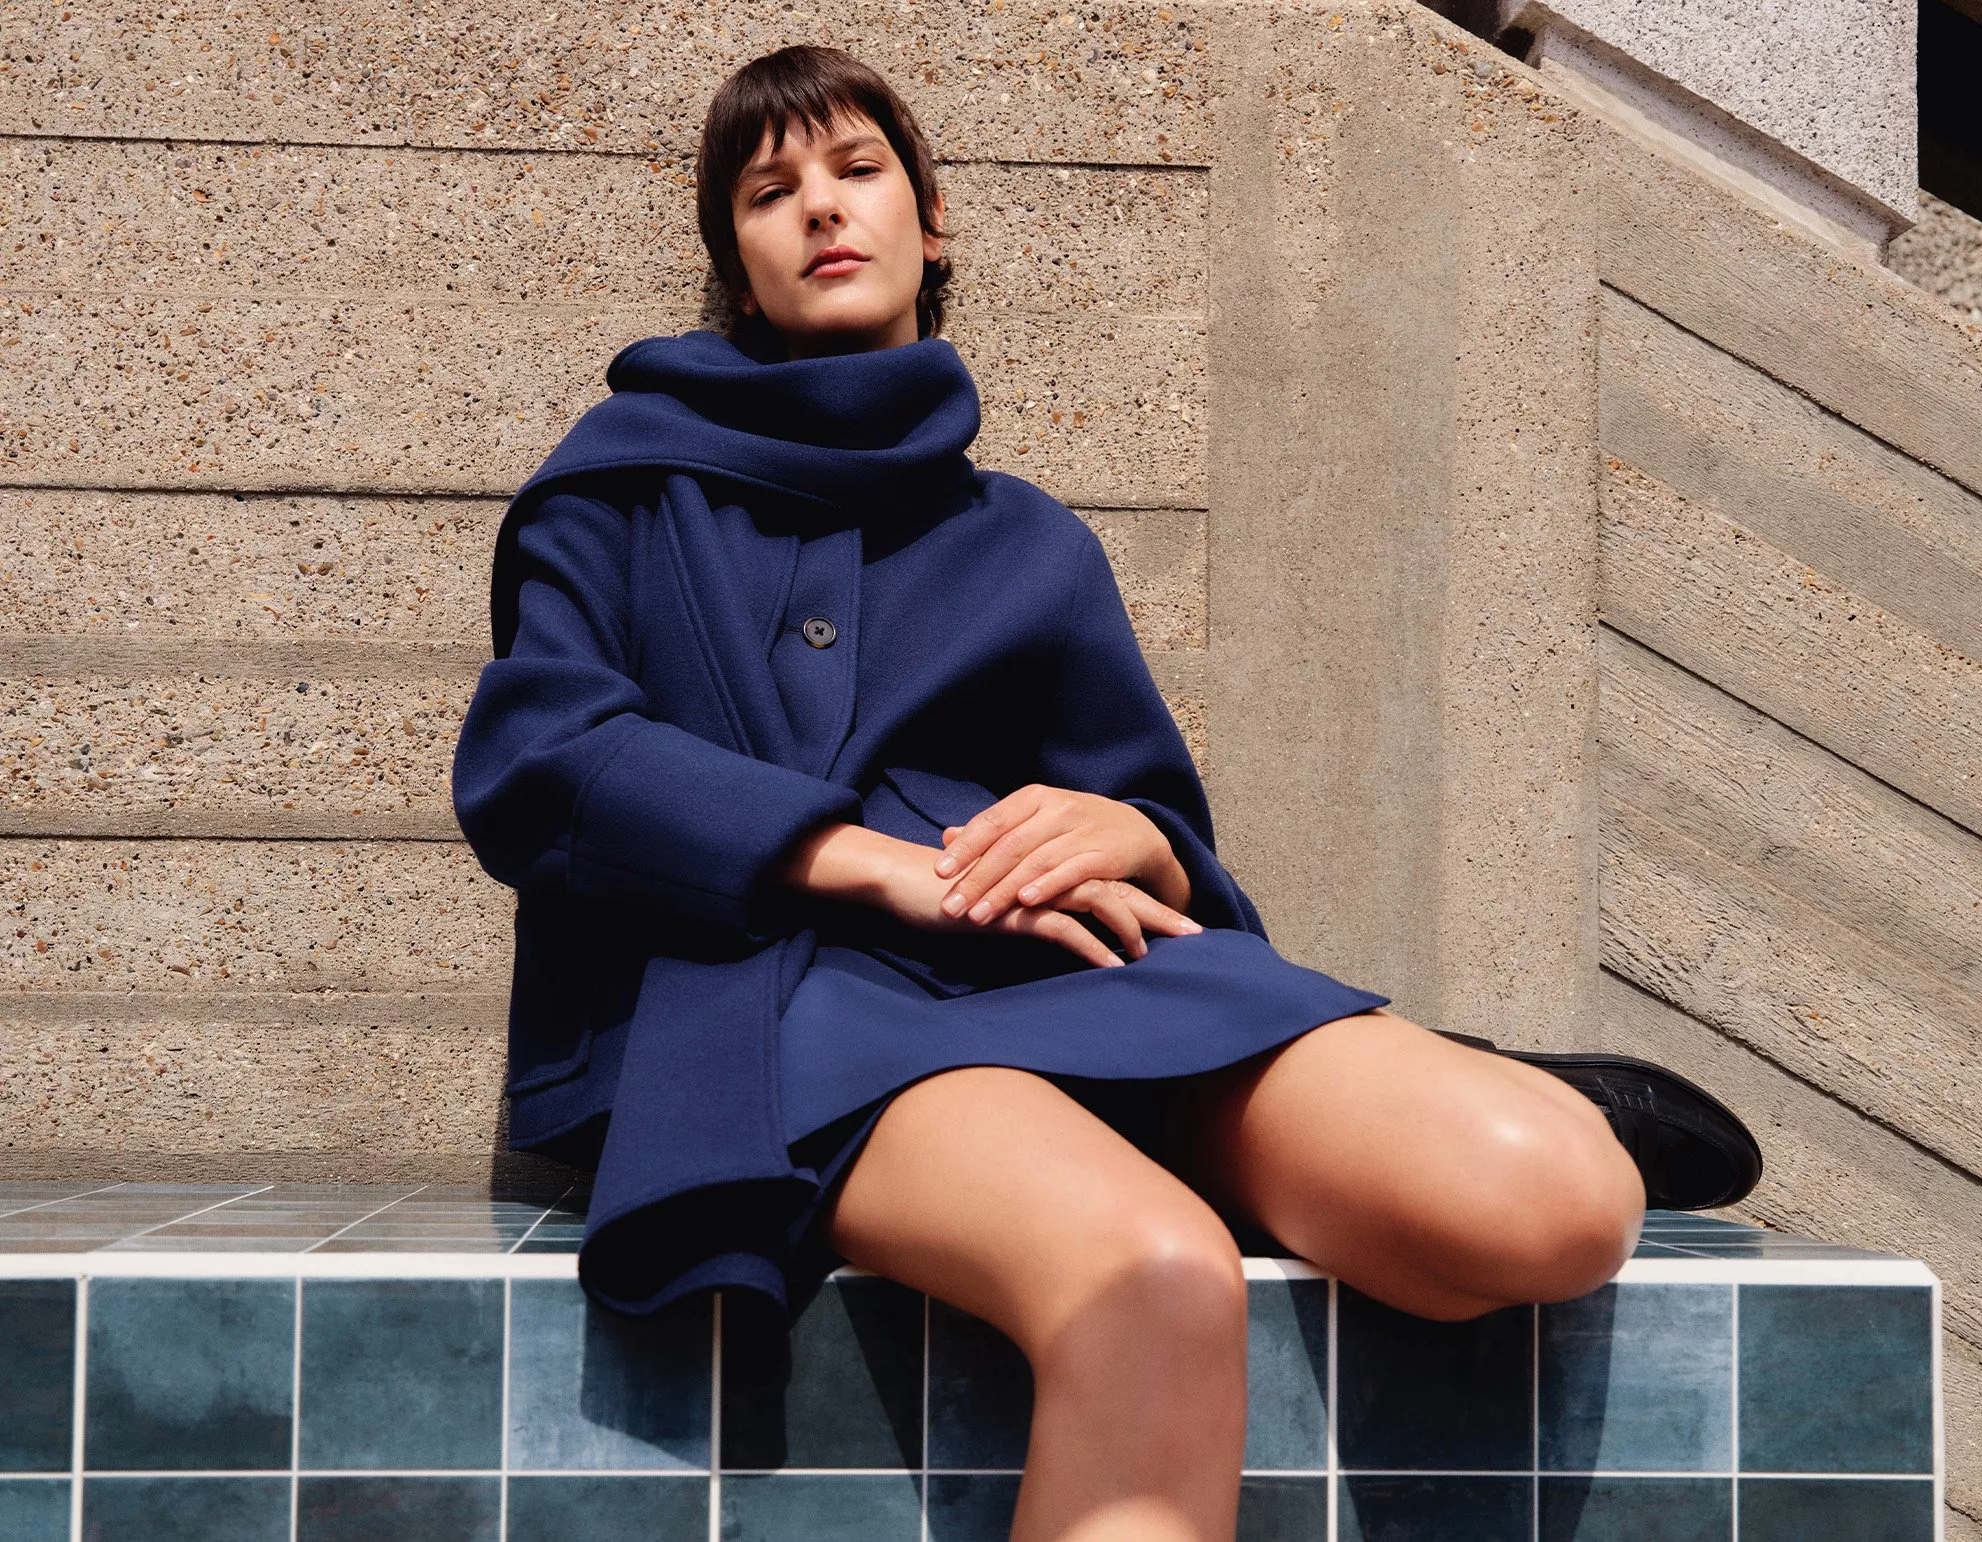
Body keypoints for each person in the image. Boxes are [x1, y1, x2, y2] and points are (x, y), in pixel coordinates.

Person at [451, 44, 1757, 1542]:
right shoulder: (617, 491)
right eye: (769, 190)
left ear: (931, 218)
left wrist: (1134, 833)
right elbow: (540, 758)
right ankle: (1321, 1109)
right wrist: (862, 858)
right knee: (1156, 1275)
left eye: (857, 169)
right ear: (735, 264)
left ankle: (1407, 1099)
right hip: (776, 1004)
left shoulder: (1027, 541)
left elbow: (1157, 829)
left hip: (1060, 974)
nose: (820, 206)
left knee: (1555, 1198)